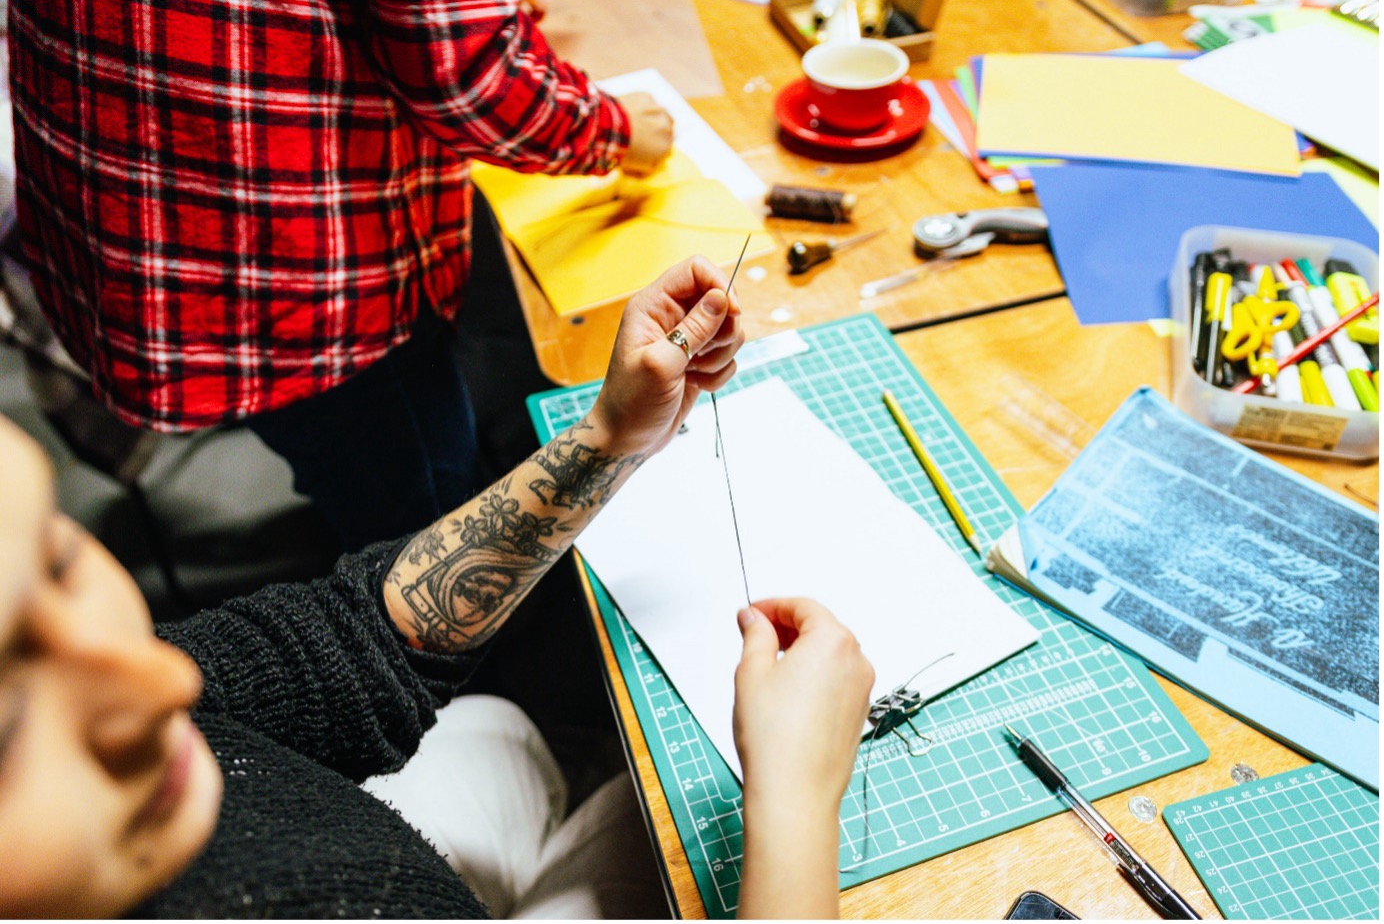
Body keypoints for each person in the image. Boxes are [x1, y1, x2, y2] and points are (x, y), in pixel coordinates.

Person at [0, 258, 874, 918]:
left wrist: (611, 435)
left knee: (504, 732)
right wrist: (794, 801)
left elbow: (346, 640)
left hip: (351, 842)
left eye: (58, 559)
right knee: (667, 822)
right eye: (7, 729)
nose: (165, 681)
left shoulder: (166, 711)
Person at [7, 0, 676, 551]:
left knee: (344, 453)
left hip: (128, 207)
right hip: (302, 275)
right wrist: (612, 129)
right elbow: (465, 77)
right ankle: (440, 671)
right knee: (421, 527)